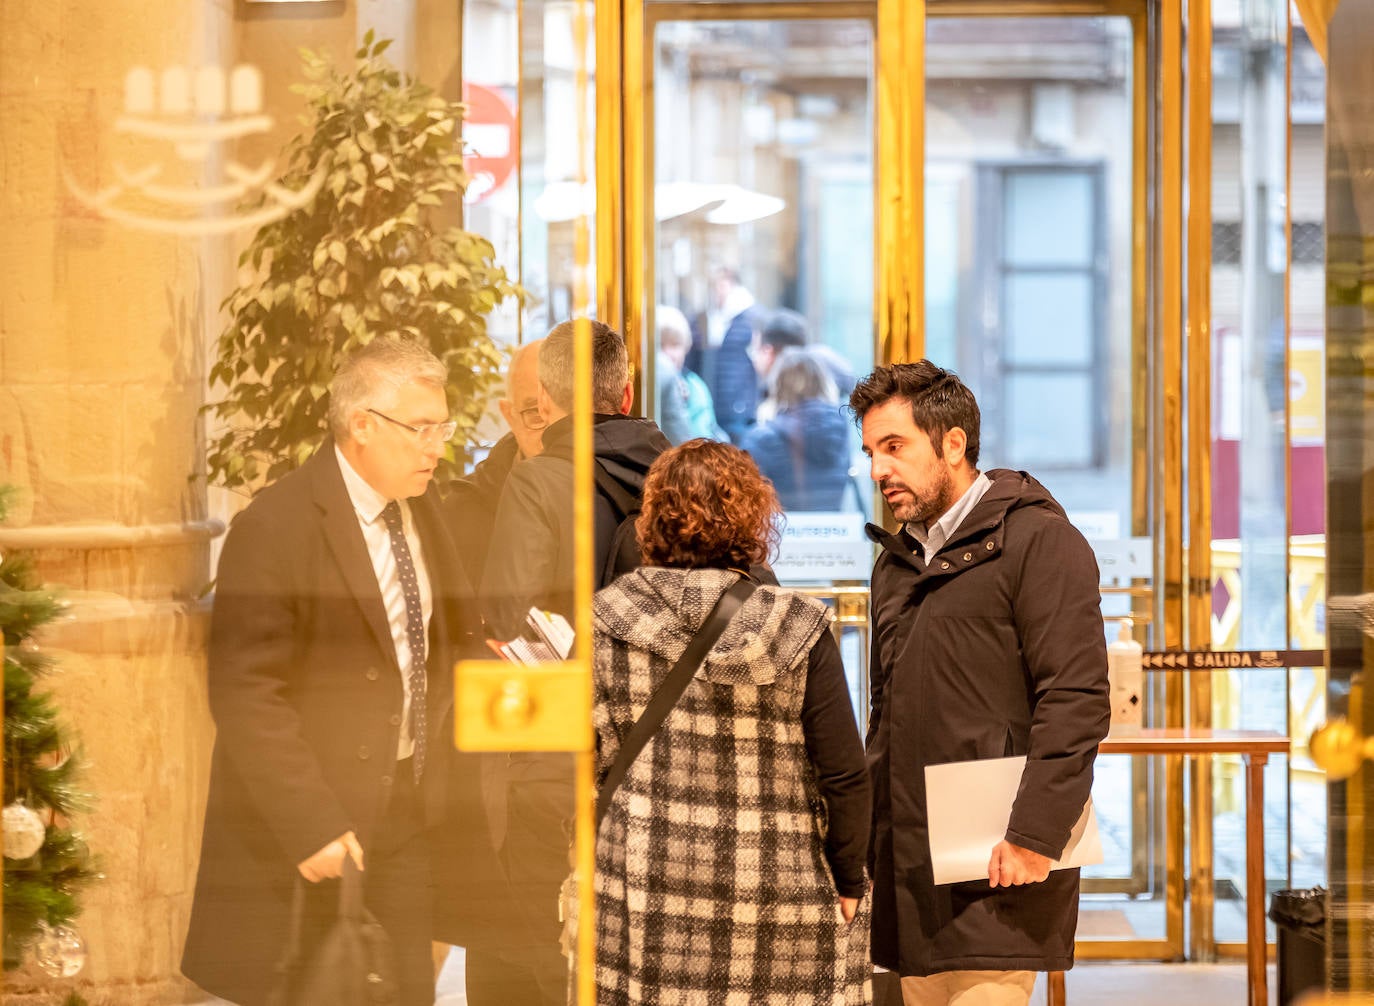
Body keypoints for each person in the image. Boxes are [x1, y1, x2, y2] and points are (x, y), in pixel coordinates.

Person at [181, 338, 483, 1006]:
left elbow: (443, 643)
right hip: (315, 822)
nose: (437, 446)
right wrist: (309, 821)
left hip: (406, 808)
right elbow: (245, 692)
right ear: (362, 426)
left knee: (405, 989)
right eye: (422, 429)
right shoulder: (276, 525)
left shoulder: (422, 508)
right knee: (320, 989)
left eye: (444, 427)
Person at [848, 361, 1110, 1006]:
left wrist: (1034, 836)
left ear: (954, 444)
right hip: (912, 866)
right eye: (870, 452)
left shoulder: (1039, 540)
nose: (878, 470)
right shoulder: (896, 562)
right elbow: (887, 717)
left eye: (894, 446)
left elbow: (1075, 699)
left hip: (1000, 862)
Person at [590, 439, 872, 1005]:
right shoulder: (798, 625)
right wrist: (847, 880)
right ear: (753, 518)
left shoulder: (608, 618)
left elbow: (584, 753)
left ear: (653, 519)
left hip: (646, 881)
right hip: (778, 882)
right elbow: (842, 773)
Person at [480, 318, 672, 639]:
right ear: (627, 395)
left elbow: (507, 620)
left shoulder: (534, 484)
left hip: (576, 683)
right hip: (667, 680)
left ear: (542, 400)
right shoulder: (680, 476)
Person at [741, 347, 855, 511]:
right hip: (833, 531)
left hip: (781, 532)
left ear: (777, 385)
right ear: (824, 383)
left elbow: (746, 499)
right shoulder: (841, 432)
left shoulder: (761, 438)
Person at [688, 266, 766, 443]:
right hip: (715, 404)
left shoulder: (753, 318)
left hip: (741, 407)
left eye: (721, 285)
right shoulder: (706, 319)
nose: (717, 292)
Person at [656, 304, 725, 444]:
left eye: (675, 345)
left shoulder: (695, 386)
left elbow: (706, 431)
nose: (668, 353)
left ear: (686, 347)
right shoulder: (648, 387)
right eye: (661, 345)